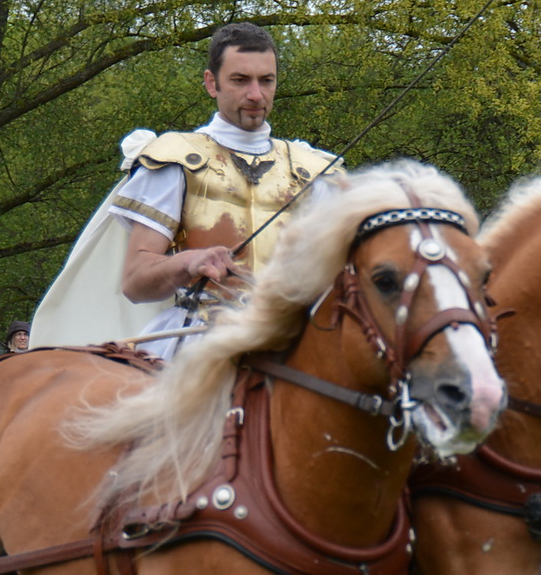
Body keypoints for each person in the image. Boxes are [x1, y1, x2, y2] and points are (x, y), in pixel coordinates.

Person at [29, 23, 343, 357]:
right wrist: (189, 262)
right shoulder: (175, 160)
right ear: (212, 83)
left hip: (294, 340)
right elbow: (135, 281)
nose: (256, 94)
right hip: (199, 339)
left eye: (266, 80)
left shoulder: (314, 171)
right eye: (240, 80)